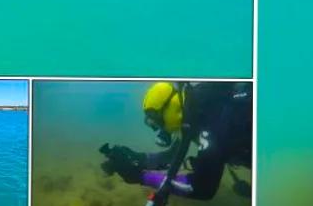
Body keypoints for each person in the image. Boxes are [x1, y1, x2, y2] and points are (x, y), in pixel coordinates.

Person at [99, 82, 252, 204]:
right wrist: (137, 158)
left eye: (158, 121)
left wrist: (141, 177)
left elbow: (202, 188)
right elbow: (171, 157)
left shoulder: (212, 121)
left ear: (170, 109)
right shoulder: (193, 109)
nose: (159, 129)